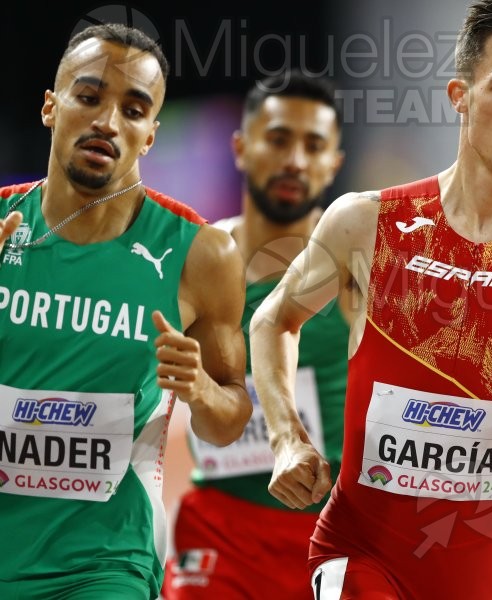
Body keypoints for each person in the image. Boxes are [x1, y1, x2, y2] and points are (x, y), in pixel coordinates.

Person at [249, 1, 492, 598]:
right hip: (360, 551)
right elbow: (274, 319)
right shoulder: (366, 220)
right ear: (459, 94)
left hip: (482, 571)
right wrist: (286, 438)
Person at [0, 24, 252, 600]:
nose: (108, 122)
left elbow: (229, 418)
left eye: (133, 109)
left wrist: (200, 390)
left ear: (150, 135)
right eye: (89, 98)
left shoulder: (201, 253)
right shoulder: (1, 229)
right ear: (50, 106)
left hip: (104, 565)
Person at [162, 70, 348, 599]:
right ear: (241, 148)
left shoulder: (359, 271)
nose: (295, 160)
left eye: (314, 146)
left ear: (333, 163)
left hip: (328, 534)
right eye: (278, 139)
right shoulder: (190, 258)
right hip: (222, 528)